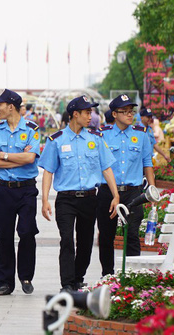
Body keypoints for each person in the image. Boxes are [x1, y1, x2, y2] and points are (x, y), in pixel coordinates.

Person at [39, 95, 119, 292]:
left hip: (90, 198)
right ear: (75, 114)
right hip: (66, 199)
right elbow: (48, 171)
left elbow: (107, 168)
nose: (90, 116)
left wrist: (116, 195)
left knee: (85, 241)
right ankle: (66, 283)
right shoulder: (56, 140)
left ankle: (77, 277)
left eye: (91, 112)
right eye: (87, 112)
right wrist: (44, 200)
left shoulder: (95, 139)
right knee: (67, 239)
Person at [0, 89, 41, 296]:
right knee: (4, 235)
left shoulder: (32, 129)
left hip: (26, 189)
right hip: (3, 190)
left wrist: (5, 156)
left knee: (27, 232)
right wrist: (17, 157)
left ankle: (26, 276)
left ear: (11, 106)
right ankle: (5, 282)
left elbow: (30, 159)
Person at [96, 95, 155, 276]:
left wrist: (152, 191)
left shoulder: (141, 133)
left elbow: (147, 163)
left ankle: (131, 274)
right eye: (125, 112)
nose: (130, 115)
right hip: (107, 192)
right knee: (106, 236)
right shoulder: (102, 135)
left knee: (132, 235)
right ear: (114, 114)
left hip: (133, 192)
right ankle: (107, 274)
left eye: (132, 111)